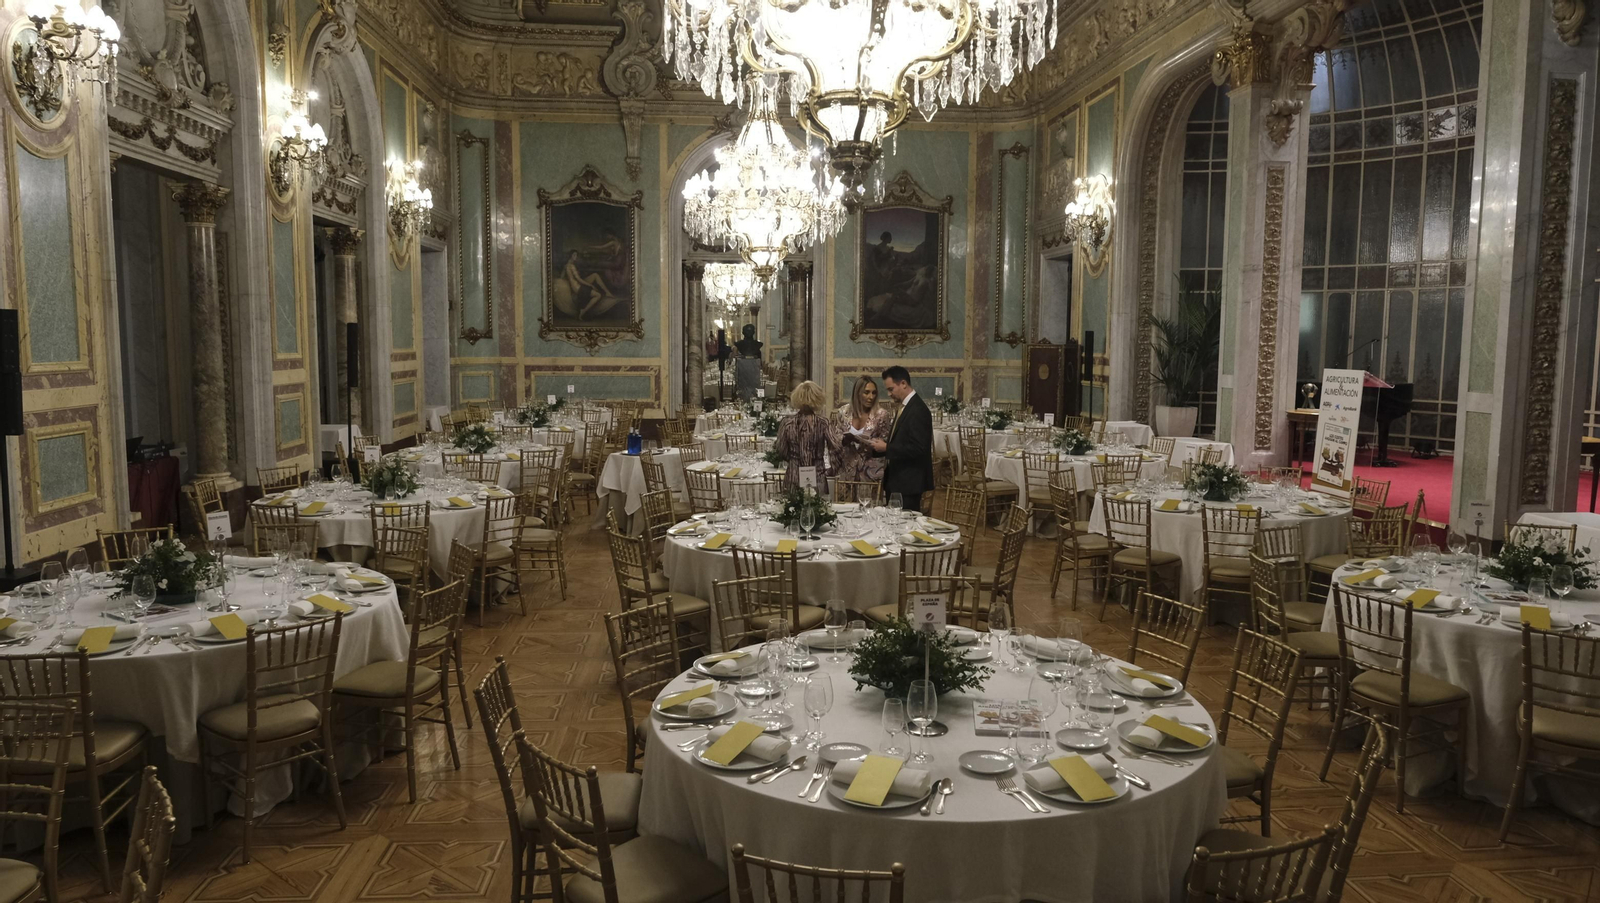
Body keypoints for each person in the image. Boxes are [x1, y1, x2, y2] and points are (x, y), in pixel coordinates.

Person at [868, 365, 934, 512]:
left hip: (909, 481)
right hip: (899, 479)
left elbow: (919, 448)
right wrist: (878, 446)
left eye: (891, 389)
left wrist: (886, 448)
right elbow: (901, 441)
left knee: (904, 526)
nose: (889, 394)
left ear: (903, 384)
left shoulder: (918, 410)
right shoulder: (906, 406)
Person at [774, 381, 843, 494]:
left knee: (792, 507)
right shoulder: (823, 423)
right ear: (818, 398)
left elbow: (781, 449)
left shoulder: (787, 422)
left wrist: (793, 460)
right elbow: (835, 447)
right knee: (818, 508)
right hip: (817, 473)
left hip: (794, 473)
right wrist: (832, 469)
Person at [834, 375, 891, 496]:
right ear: (857, 393)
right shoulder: (843, 413)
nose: (871, 397)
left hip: (871, 474)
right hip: (847, 473)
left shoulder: (881, 415)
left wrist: (867, 442)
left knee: (870, 511)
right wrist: (844, 440)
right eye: (866, 392)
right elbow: (835, 439)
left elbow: (885, 445)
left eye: (874, 393)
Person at [733, 323, 763, 401]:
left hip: (752, 373)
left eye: (750, 331)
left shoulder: (758, 344)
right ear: (743, 332)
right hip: (743, 372)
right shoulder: (739, 344)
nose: (749, 332)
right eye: (747, 331)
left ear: (753, 332)